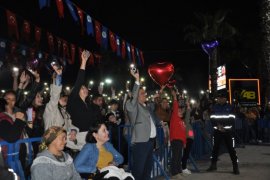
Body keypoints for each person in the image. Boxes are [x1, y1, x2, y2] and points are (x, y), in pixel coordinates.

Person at [125, 69, 160, 180]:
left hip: (150, 142)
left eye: (144, 93)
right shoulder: (132, 106)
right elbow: (133, 98)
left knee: (147, 169)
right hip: (141, 142)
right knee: (138, 170)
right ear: (136, 96)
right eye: (142, 93)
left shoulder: (145, 106)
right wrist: (137, 81)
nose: (145, 94)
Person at [207, 92, 240, 175]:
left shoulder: (231, 107)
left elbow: (232, 119)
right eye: (218, 98)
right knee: (215, 148)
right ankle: (213, 165)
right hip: (217, 131)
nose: (218, 99)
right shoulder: (214, 107)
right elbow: (212, 118)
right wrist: (218, 126)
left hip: (227, 131)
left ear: (225, 99)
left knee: (231, 149)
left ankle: (235, 166)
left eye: (220, 98)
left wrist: (224, 127)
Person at [169, 89, 186, 179]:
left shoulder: (182, 121)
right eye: (178, 110)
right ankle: (174, 173)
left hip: (180, 141)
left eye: (181, 111)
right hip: (175, 139)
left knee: (179, 157)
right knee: (175, 157)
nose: (180, 111)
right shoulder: (175, 117)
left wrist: (184, 142)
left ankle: (179, 171)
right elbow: (176, 107)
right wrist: (175, 97)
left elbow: (184, 133)